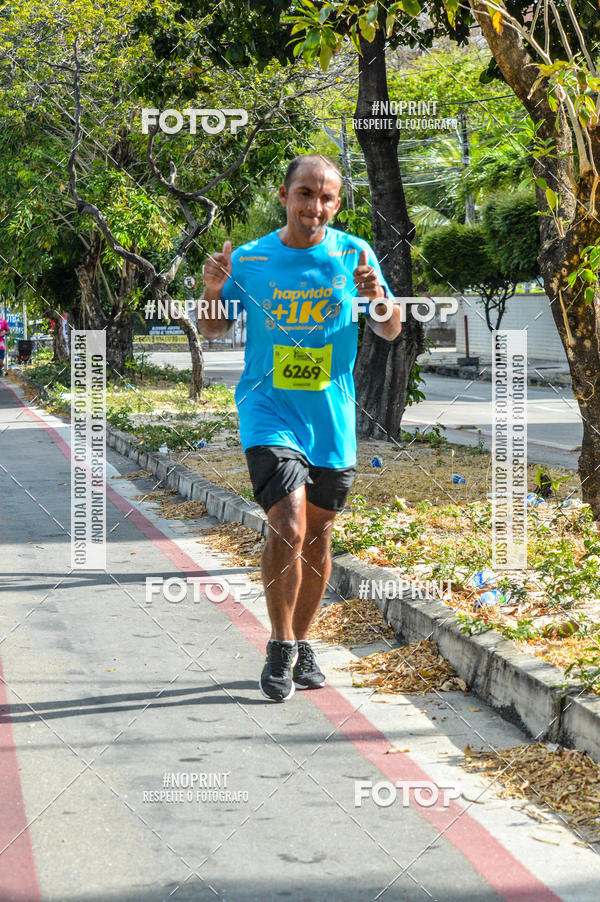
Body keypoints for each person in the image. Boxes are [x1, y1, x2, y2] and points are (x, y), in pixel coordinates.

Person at [200, 154, 402, 701]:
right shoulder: (252, 258)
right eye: (305, 193)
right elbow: (213, 329)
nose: (316, 206)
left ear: (337, 204)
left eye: (327, 197)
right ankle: (281, 645)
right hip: (268, 411)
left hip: (330, 418)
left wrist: (377, 299)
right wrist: (214, 288)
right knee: (287, 524)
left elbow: (389, 330)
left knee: (317, 535)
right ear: (286, 195)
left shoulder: (355, 253)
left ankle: (302, 639)